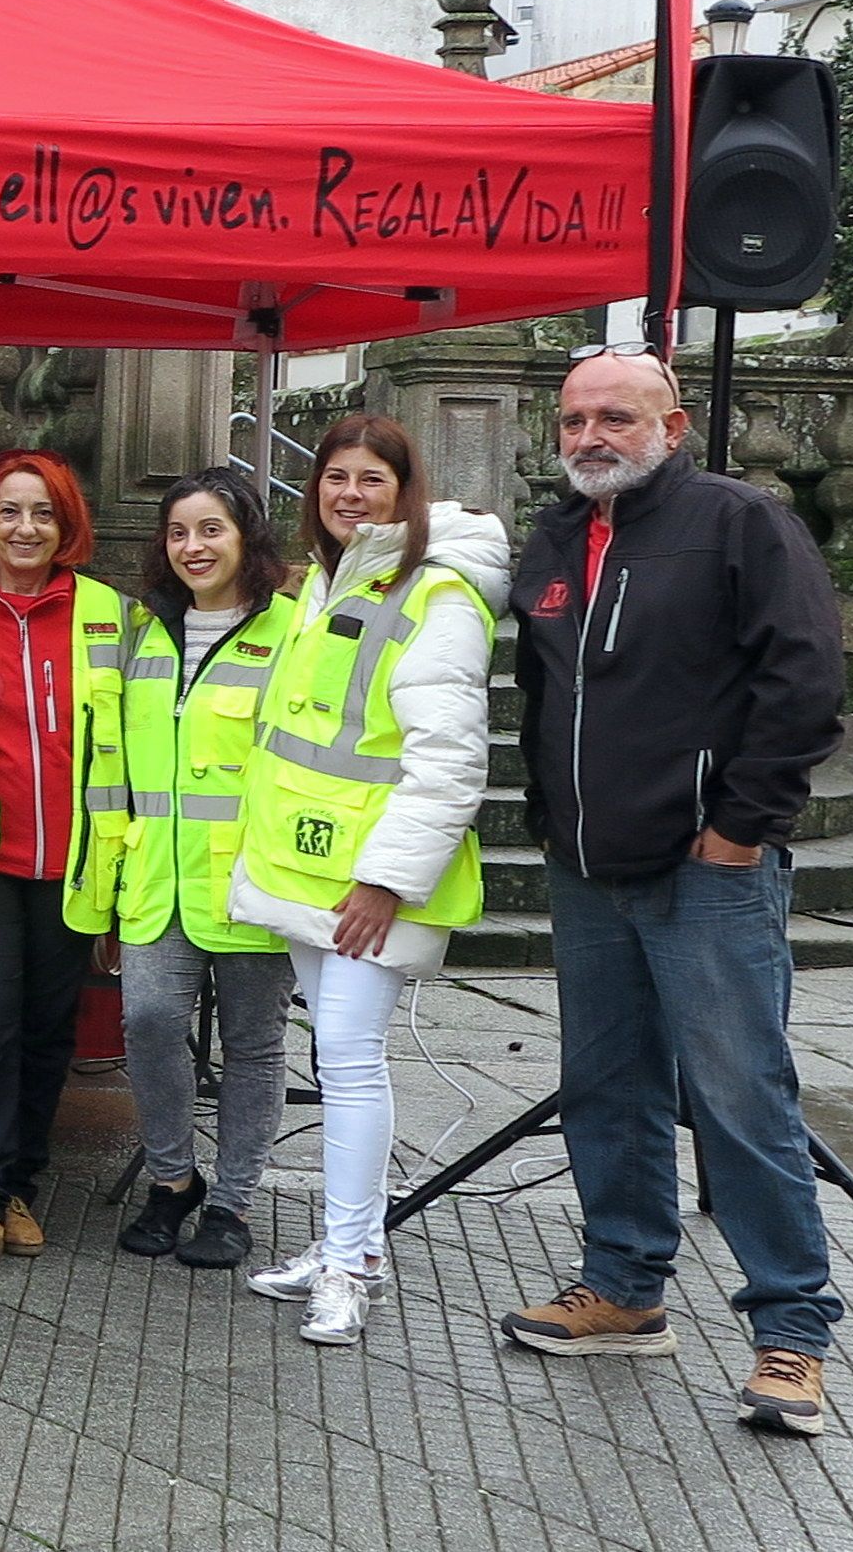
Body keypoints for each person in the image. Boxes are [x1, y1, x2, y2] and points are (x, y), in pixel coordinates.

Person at [498, 347, 849, 1437]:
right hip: (590, 866)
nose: (591, 436)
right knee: (607, 1083)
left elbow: (805, 679)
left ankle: (792, 1330)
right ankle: (626, 1284)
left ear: (674, 423)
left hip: (709, 868)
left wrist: (743, 825)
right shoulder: (555, 540)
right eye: (574, 420)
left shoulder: (739, 524)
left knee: (742, 1100)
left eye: (615, 415)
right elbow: (549, 689)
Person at [233, 413, 504, 1347]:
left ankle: (348, 1261)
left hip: (364, 884)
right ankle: (354, 1245)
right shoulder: (326, 581)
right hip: (307, 868)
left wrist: (387, 879)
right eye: (335, 478)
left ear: (407, 492)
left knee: (348, 1060)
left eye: (372, 481)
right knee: (339, 1057)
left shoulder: (441, 596)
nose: (349, 494)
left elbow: (450, 762)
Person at [0, 450, 132, 1279]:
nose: (25, 528)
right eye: (9, 511)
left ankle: (18, 1186)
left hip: (77, 863)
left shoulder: (114, 617)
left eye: (43, 513)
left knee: (49, 1034)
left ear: (68, 523)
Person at [102, 466, 299, 1273]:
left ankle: (234, 1198)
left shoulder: (292, 630)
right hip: (157, 878)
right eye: (179, 531)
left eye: (211, 528)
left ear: (247, 535)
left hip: (254, 881)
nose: (194, 546)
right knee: (148, 1021)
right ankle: (173, 1176)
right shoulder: (145, 633)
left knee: (255, 1042)